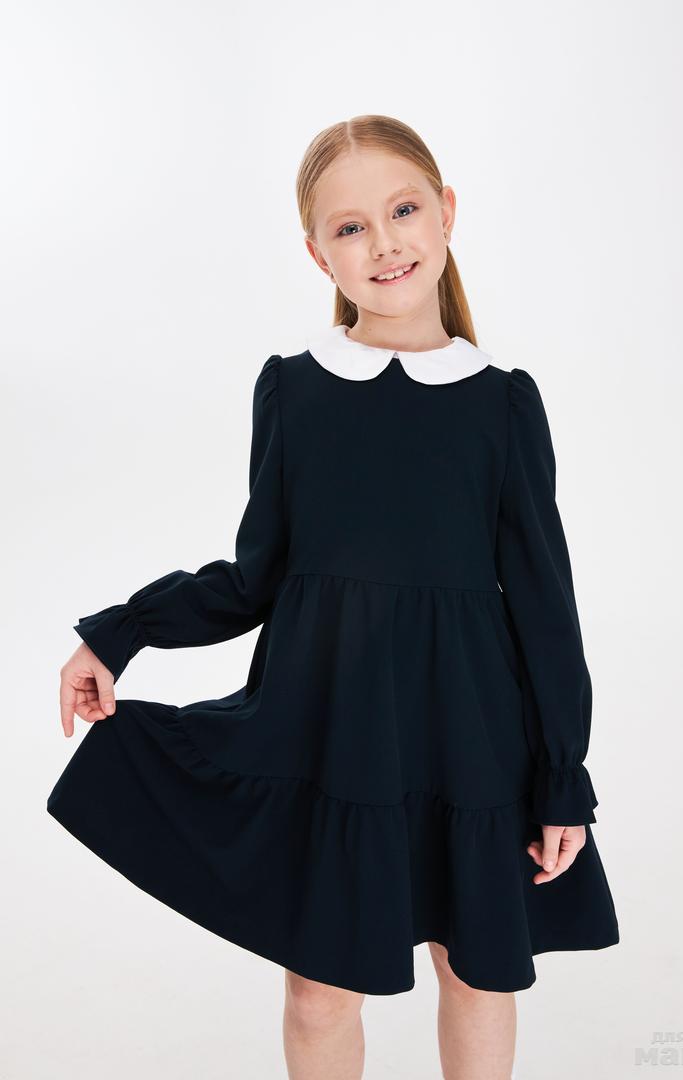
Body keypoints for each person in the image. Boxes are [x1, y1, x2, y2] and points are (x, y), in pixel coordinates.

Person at [48, 114, 619, 1080]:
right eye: (351, 227)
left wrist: (563, 771)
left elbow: (543, 604)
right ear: (319, 254)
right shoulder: (295, 390)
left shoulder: (502, 401)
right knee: (318, 993)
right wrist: (120, 633)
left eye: (403, 210)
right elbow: (254, 576)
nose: (384, 243)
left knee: (475, 973)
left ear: (446, 212)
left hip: (471, 735)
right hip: (331, 733)